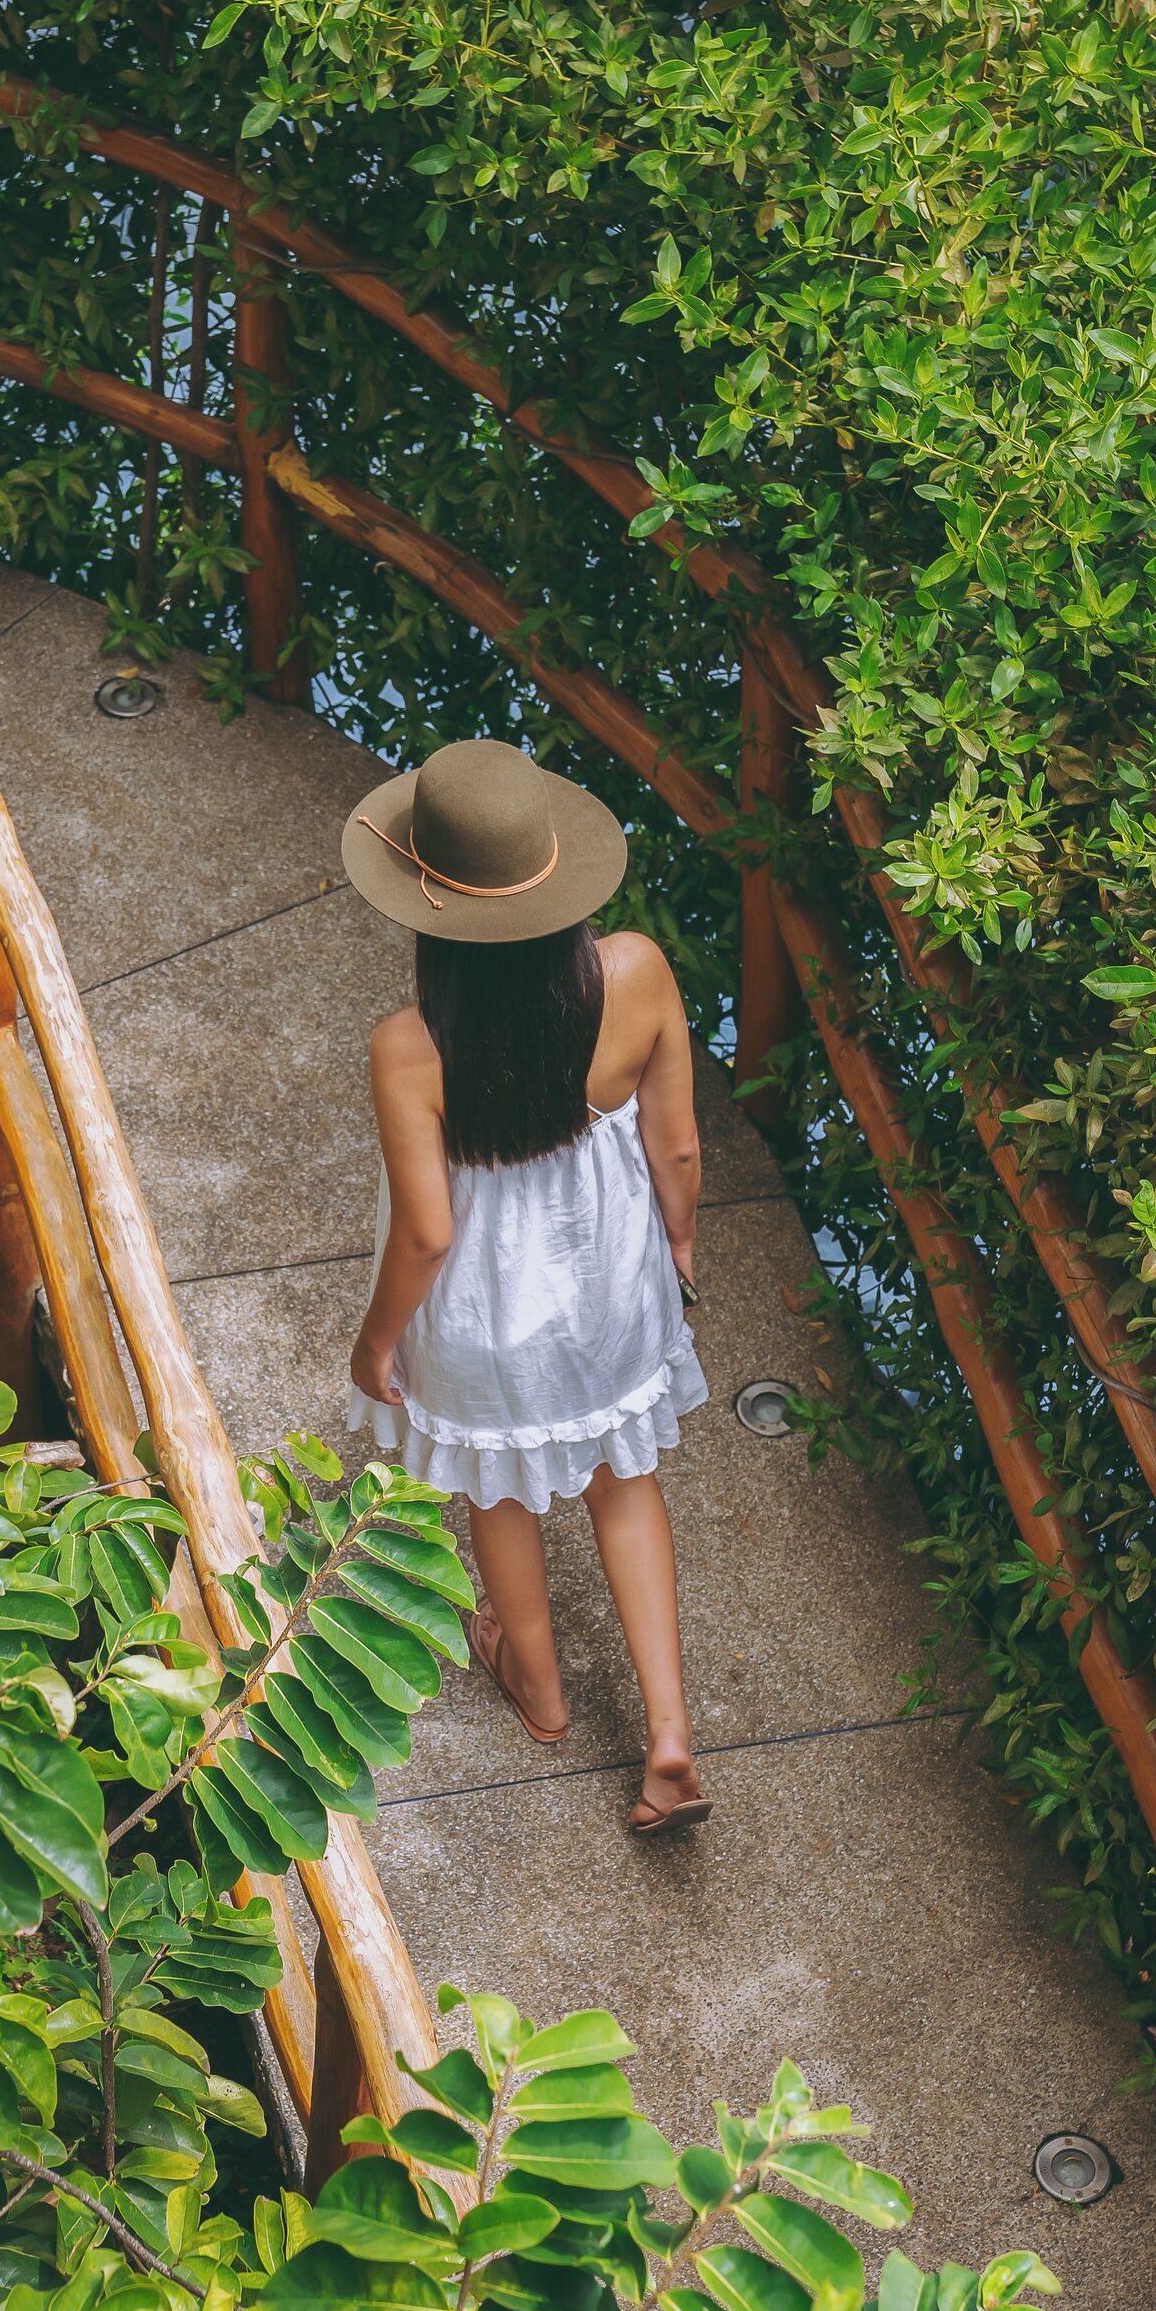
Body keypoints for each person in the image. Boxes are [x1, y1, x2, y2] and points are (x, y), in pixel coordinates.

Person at [343, 736, 709, 1832]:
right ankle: (668, 1736)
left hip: (481, 1314)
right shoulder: (638, 973)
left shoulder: (411, 1045)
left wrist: (375, 1345)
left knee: (498, 1490)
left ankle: (540, 1692)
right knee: (623, 1484)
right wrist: (677, 1247)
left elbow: (424, 1232)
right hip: (608, 1285)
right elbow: (676, 1148)